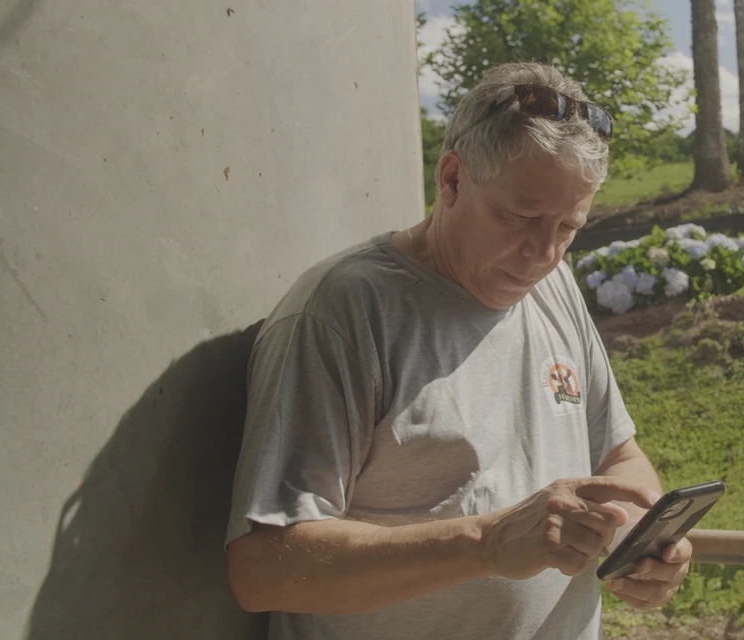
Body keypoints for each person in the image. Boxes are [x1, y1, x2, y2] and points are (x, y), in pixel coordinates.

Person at [224, 62, 692, 640]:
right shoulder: (342, 313)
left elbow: (619, 459)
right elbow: (264, 569)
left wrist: (643, 538)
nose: (544, 252)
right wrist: (486, 544)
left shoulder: (552, 284)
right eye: (520, 217)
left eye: (569, 227)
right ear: (451, 180)